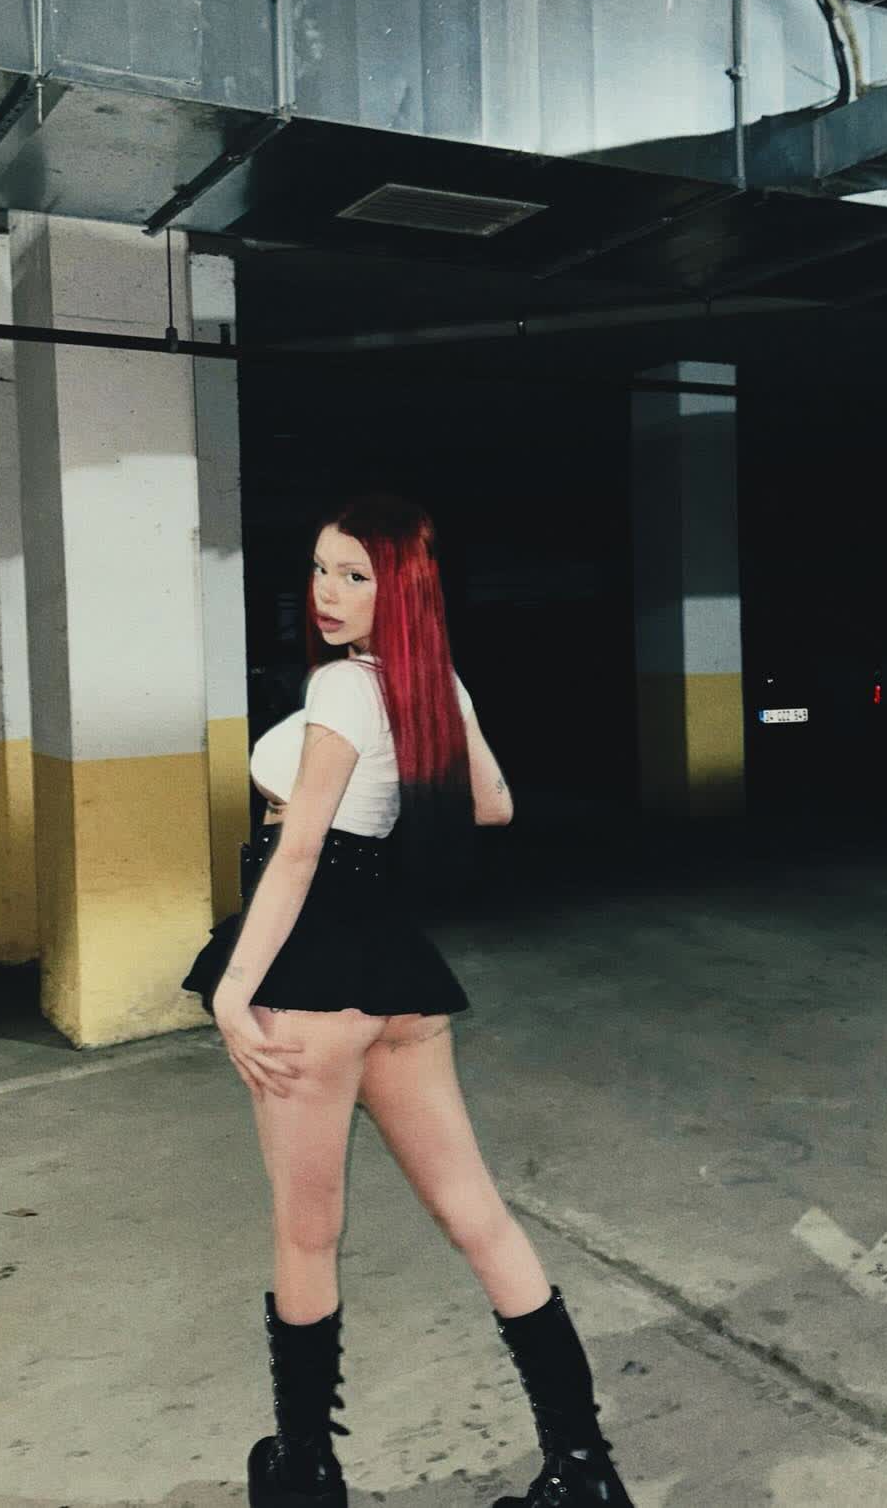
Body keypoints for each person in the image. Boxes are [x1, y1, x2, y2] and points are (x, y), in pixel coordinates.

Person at [181, 492, 637, 1508]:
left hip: (312, 978)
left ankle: (305, 1475)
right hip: (396, 975)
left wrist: (234, 991)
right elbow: (494, 804)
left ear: (403, 588)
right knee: (477, 1214)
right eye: (320, 568)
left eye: (357, 574)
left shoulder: (345, 686)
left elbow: (300, 851)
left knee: (307, 1232)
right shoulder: (429, 681)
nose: (328, 591)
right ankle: (582, 1468)